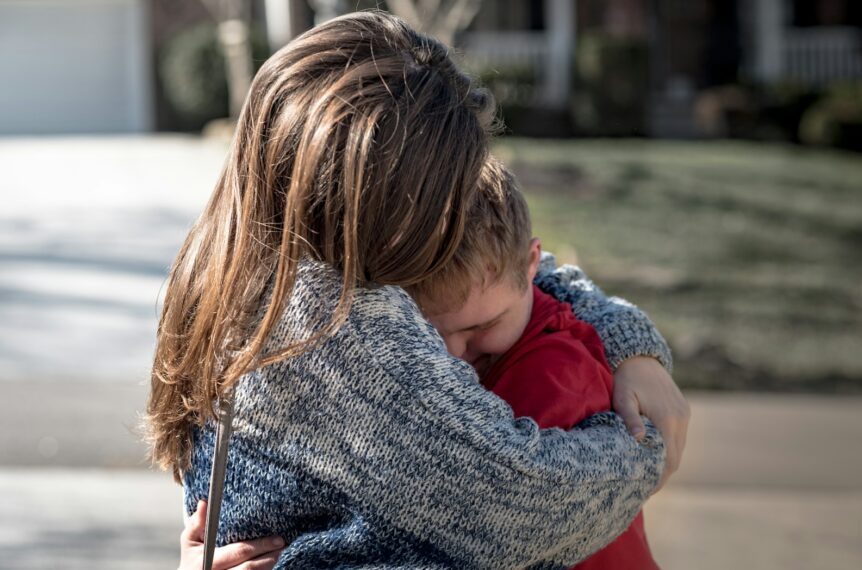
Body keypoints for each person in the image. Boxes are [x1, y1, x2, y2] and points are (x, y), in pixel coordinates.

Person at [148, 11, 689, 570]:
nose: (456, 217)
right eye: (444, 199)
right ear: (378, 197)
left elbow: (526, 269)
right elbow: (526, 507)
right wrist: (645, 440)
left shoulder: (231, 263)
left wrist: (629, 344)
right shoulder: (339, 325)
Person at [415, 158, 658, 569]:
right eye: (431, 330)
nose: (454, 354)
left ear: (532, 265)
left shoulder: (556, 376)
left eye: (483, 326)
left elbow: (484, 520)